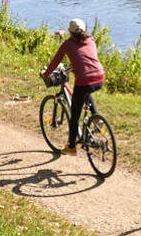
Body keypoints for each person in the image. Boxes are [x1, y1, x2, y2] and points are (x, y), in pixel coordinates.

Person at [43, 19, 105, 154]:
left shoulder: (67, 44)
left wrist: (46, 74)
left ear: (70, 32)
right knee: (87, 92)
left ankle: (71, 147)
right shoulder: (91, 40)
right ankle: (96, 118)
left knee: (75, 116)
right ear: (85, 29)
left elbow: (55, 62)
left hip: (84, 80)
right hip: (100, 77)